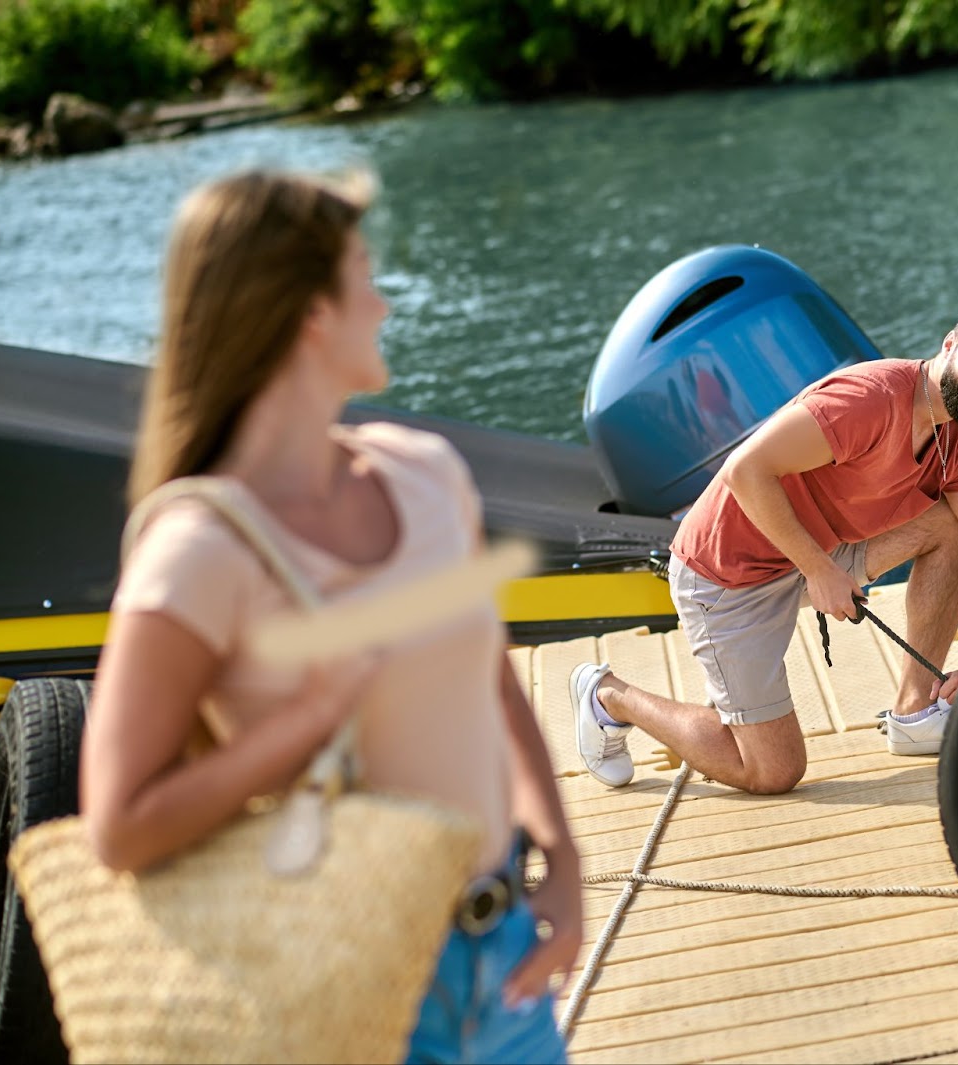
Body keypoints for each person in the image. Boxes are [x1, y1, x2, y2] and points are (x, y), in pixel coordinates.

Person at [79, 169, 582, 1064]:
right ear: (312, 313)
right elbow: (118, 823)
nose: (383, 302)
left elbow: (493, 680)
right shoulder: (197, 551)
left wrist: (563, 855)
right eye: (363, 273)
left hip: (503, 956)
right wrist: (306, 721)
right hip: (342, 986)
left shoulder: (426, 473)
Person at [572, 295, 958, 794]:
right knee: (771, 772)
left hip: (812, 554)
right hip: (727, 576)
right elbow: (745, 470)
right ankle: (607, 696)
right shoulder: (868, 399)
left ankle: (916, 713)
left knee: (953, 526)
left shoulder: (952, 447)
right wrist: (820, 571)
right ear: (950, 344)